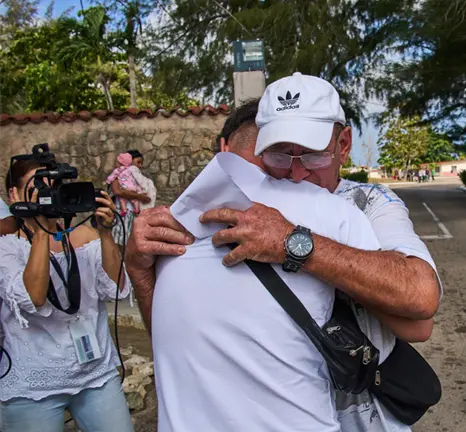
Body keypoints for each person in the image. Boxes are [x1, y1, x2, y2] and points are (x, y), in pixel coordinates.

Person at [127, 75, 439, 430]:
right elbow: (175, 343)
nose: (296, 173)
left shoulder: (365, 204)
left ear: (343, 145)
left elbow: (420, 312)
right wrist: (140, 272)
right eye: (279, 155)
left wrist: (293, 244)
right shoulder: (229, 215)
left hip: (365, 417)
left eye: (313, 155)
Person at [0, 158, 132, 432]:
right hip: (34, 386)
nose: (47, 195)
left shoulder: (85, 236)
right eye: (38, 188)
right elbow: (33, 298)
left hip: (95, 375)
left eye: (53, 187)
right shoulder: (7, 248)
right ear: (14, 194)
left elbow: (116, 289)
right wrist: (41, 231)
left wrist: (106, 234)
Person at [110, 151, 151, 245]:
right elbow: (117, 191)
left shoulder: (135, 176)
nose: (140, 166)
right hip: (122, 213)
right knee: (119, 241)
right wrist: (139, 196)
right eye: (138, 162)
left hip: (132, 214)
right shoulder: (118, 173)